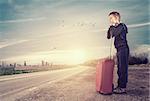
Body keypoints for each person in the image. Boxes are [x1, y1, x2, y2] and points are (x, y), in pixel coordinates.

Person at [107, 11, 130, 94]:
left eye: (111, 18)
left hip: (123, 49)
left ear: (116, 17)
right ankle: (119, 86)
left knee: (123, 68)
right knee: (119, 69)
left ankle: (122, 87)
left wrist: (113, 28)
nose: (110, 20)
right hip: (118, 49)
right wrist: (110, 28)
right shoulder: (114, 27)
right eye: (109, 18)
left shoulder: (122, 26)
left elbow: (115, 32)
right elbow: (108, 36)